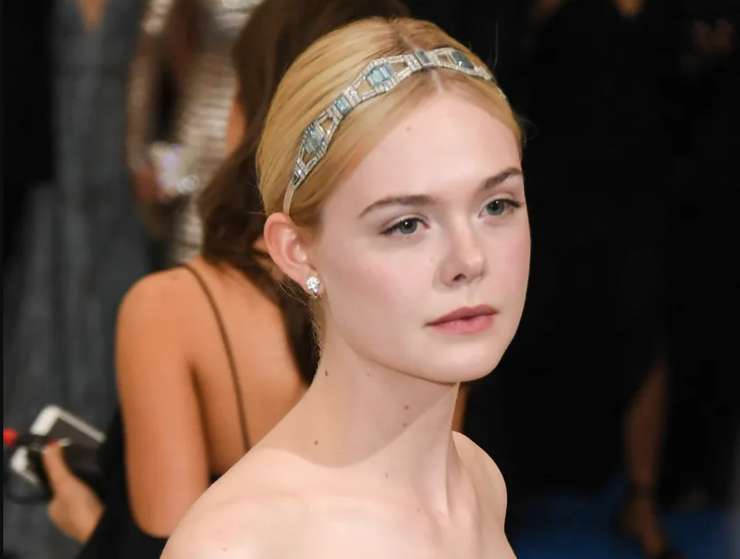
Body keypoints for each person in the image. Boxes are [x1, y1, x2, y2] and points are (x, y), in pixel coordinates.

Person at [39, 1, 410, 556]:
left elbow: (166, 551)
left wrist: (85, 518)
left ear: (245, 111)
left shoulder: (173, 311)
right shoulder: (431, 295)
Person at [164, 16, 529, 557]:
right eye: (406, 224)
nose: (469, 260)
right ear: (297, 250)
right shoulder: (240, 545)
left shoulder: (477, 480)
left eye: (496, 206)